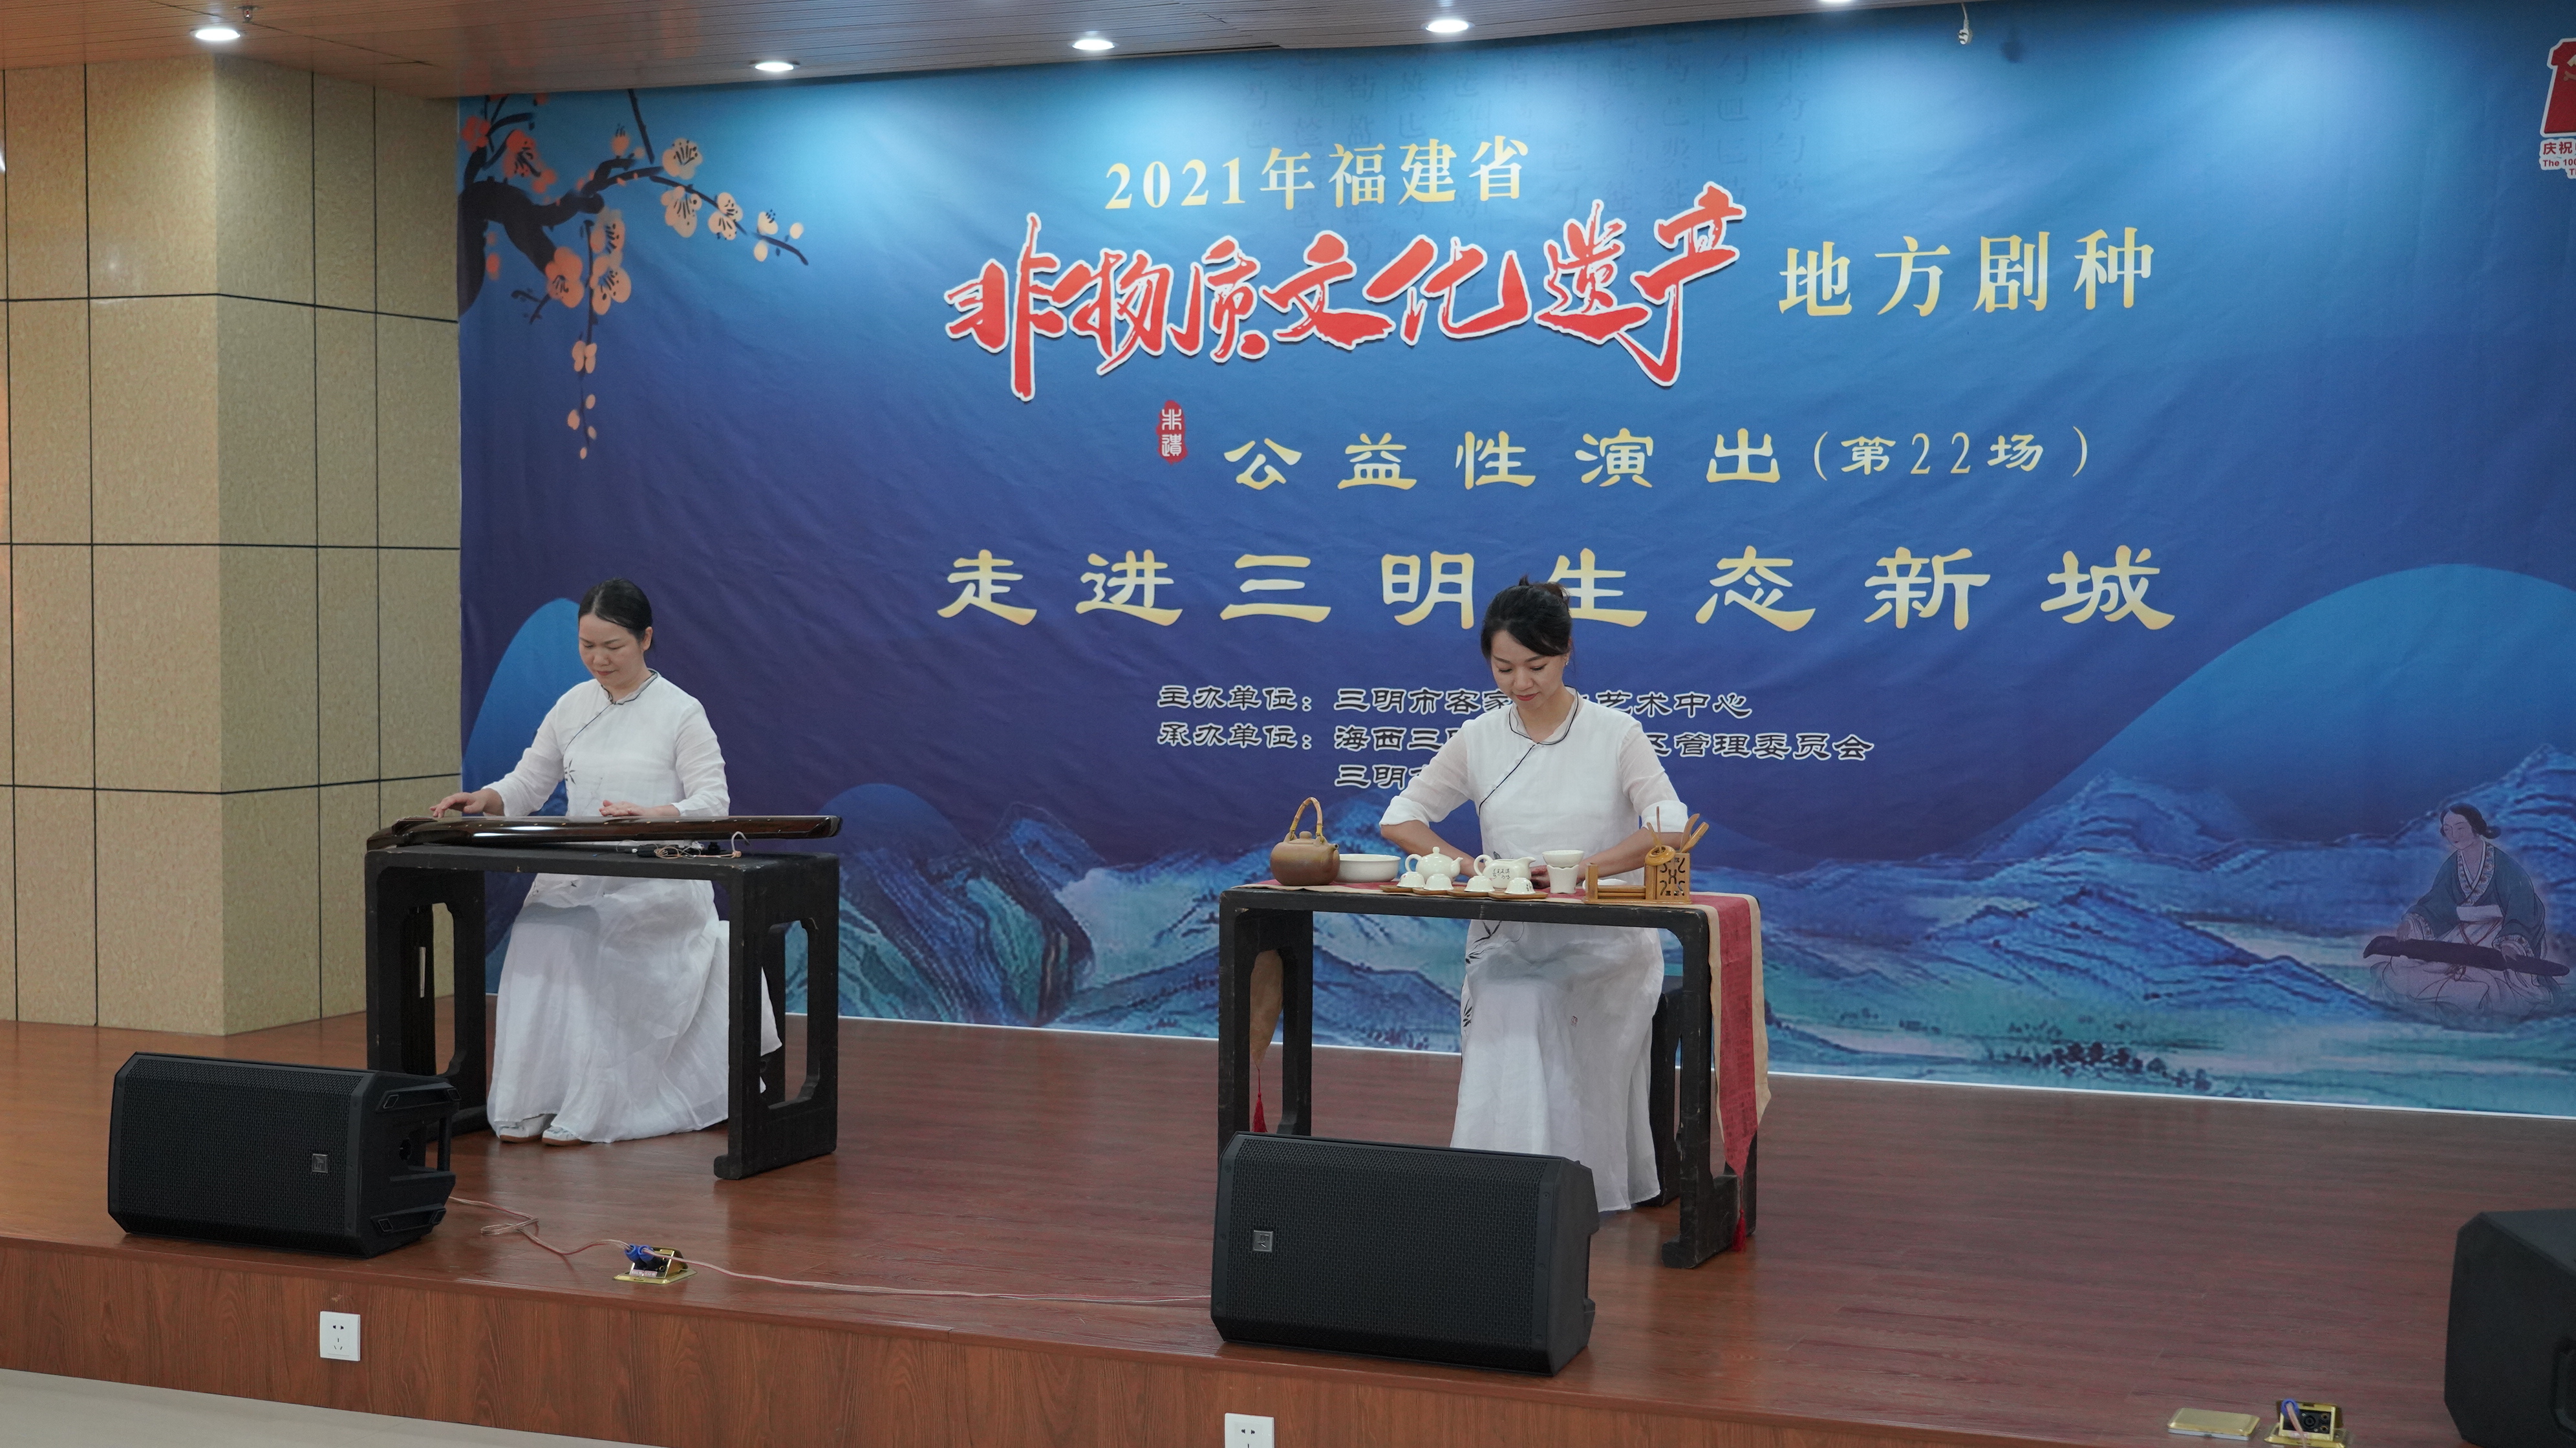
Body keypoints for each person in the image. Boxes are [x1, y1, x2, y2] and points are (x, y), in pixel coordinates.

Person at [1376, 579, 1690, 1211]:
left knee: (1538, 1000)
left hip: (1603, 942)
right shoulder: (1479, 737)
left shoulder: (1615, 732)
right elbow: (1400, 818)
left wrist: (1587, 869)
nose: (1521, 682)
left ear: (1567, 652)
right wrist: (1473, 867)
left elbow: (1670, 826)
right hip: (1510, 937)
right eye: (1504, 668)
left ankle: (1561, 1188)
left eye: (1537, 666)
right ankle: (1499, 1188)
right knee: (1512, 996)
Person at [433, 579, 776, 1145]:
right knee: (539, 931)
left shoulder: (681, 712)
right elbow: (528, 782)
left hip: (660, 880)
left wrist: (656, 813)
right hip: (582, 871)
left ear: (646, 639)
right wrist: (486, 799)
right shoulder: (573, 705)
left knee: (592, 935)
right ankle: (537, 1097)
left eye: (612, 646)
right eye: (587, 646)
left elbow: (714, 803)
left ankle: (593, 1104)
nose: (598, 659)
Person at [2369, 804, 2557, 1022]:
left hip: (2499, 933)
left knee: (2488, 980)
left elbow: (2523, 904)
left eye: (2460, 828)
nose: (2454, 836)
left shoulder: (2505, 866)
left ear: (2475, 827)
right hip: (2463, 930)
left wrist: (2511, 942)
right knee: (2413, 970)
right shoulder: (2453, 865)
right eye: (2448, 830)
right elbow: (2437, 901)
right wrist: (2411, 923)